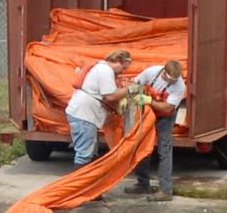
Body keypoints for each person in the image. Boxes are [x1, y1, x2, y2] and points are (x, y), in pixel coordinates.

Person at [64, 47, 132, 180]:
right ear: (118, 61)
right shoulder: (105, 70)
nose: (122, 72)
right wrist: (130, 90)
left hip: (80, 113)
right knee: (84, 154)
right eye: (123, 68)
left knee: (90, 152)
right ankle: (77, 190)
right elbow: (111, 96)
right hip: (84, 115)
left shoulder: (99, 68)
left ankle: (90, 188)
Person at [131, 58, 185, 201]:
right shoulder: (151, 72)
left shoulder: (179, 86)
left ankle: (165, 191)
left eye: (176, 79)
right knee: (142, 146)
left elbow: (168, 107)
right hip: (146, 114)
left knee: (164, 150)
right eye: (171, 79)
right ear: (164, 73)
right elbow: (135, 85)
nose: (174, 81)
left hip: (165, 117)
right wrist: (131, 96)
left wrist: (149, 101)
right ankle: (143, 184)